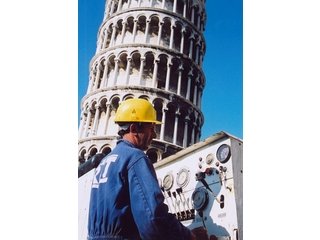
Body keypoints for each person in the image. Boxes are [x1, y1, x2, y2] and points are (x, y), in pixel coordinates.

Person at [87, 98, 208, 240]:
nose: (155, 135)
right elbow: (153, 218)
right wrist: (190, 236)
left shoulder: (106, 161)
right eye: (151, 129)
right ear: (134, 129)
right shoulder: (135, 158)